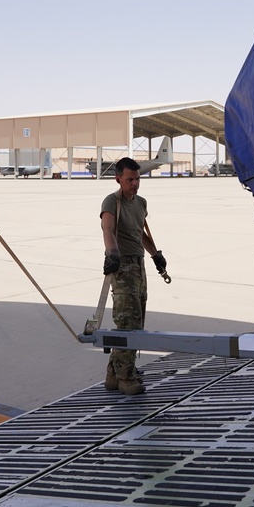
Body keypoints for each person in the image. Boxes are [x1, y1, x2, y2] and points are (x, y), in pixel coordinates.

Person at [99, 156, 167, 396]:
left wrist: (155, 255)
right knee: (128, 323)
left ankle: (113, 375)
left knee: (136, 322)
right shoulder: (111, 202)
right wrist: (113, 254)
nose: (135, 184)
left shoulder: (141, 203)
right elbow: (108, 229)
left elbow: (140, 233)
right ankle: (126, 378)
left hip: (139, 267)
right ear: (118, 179)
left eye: (138, 179)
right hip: (123, 267)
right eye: (130, 180)